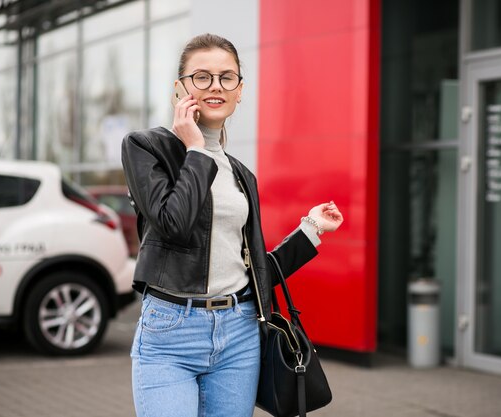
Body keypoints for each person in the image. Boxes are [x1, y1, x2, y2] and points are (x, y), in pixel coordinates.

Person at [121, 33, 343, 417]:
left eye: (227, 77)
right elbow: (174, 223)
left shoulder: (242, 175)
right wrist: (196, 149)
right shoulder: (146, 148)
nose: (215, 86)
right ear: (180, 88)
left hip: (239, 332)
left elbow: (252, 272)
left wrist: (311, 229)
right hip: (170, 331)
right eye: (202, 77)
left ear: (240, 91)